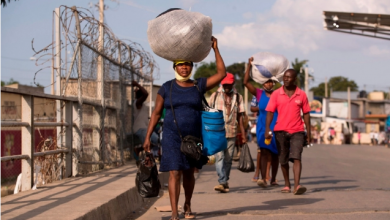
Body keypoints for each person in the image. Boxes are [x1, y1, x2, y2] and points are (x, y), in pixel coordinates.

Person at [143, 36, 226, 220]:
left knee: (189, 172)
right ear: (175, 67)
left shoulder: (198, 85)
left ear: (191, 67)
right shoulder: (167, 88)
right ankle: (174, 212)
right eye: (180, 65)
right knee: (174, 171)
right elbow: (156, 113)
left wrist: (215, 49)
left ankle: (187, 204)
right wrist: (148, 137)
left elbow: (221, 74)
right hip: (172, 136)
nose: (184, 67)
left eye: (187, 64)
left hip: (194, 136)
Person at [265, 69, 311, 195]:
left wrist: (309, 132)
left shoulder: (301, 94)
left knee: (297, 157)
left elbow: (306, 114)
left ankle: (297, 186)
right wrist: (267, 128)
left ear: (294, 79)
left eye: (289, 77)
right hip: (280, 130)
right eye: (284, 77)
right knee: (283, 159)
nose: (285, 79)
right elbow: (270, 112)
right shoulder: (276, 94)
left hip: (298, 130)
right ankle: (287, 184)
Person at [244, 57, 279, 188]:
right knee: (264, 152)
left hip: (277, 127)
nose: (269, 84)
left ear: (274, 83)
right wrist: (249, 66)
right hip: (262, 127)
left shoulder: (279, 93)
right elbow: (246, 82)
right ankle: (263, 178)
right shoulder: (258, 93)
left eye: (271, 82)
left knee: (276, 154)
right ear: (263, 83)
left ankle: (274, 178)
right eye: (266, 82)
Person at [209, 73, 246, 193]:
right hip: (217, 132)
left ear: (233, 84)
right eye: (224, 84)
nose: (227, 87)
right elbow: (208, 114)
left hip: (232, 131)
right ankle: (222, 181)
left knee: (228, 159)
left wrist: (243, 134)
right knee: (219, 157)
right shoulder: (214, 96)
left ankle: (224, 180)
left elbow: (240, 116)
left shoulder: (238, 97)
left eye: (229, 84)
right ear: (221, 83)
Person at [132, 81, 159, 159]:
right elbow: (146, 94)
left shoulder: (141, 104)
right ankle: (144, 155)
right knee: (154, 140)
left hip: (145, 128)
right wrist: (137, 85)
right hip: (140, 129)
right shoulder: (137, 103)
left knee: (157, 139)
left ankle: (139, 149)